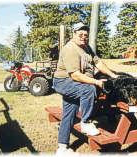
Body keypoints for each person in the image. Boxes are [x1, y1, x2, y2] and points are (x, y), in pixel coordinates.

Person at [53, 22, 119, 155]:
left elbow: (98, 62)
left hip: (74, 83)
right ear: (74, 35)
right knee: (89, 89)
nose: (83, 37)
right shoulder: (70, 49)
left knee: (69, 113)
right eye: (80, 34)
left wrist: (113, 75)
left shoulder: (86, 47)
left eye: (85, 35)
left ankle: (62, 148)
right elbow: (76, 76)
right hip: (64, 82)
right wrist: (96, 82)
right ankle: (86, 123)